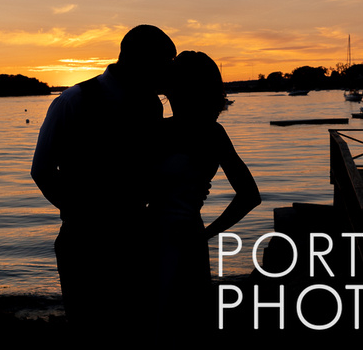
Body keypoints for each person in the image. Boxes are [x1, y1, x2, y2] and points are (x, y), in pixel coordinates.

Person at [30, 24, 176, 338]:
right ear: (140, 60)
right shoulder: (73, 101)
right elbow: (41, 170)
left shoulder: (151, 105)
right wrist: (82, 213)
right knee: (89, 328)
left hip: (136, 237)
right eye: (165, 63)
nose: (168, 72)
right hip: (83, 241)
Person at [148, 51, 261, 334]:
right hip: (184, 235)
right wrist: (205, 234)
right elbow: (249, 195)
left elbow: (250, 195)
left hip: (161, 237)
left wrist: (205, 235)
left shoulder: (157, 131)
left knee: (165, 321)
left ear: (180, 87)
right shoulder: (212, 133)